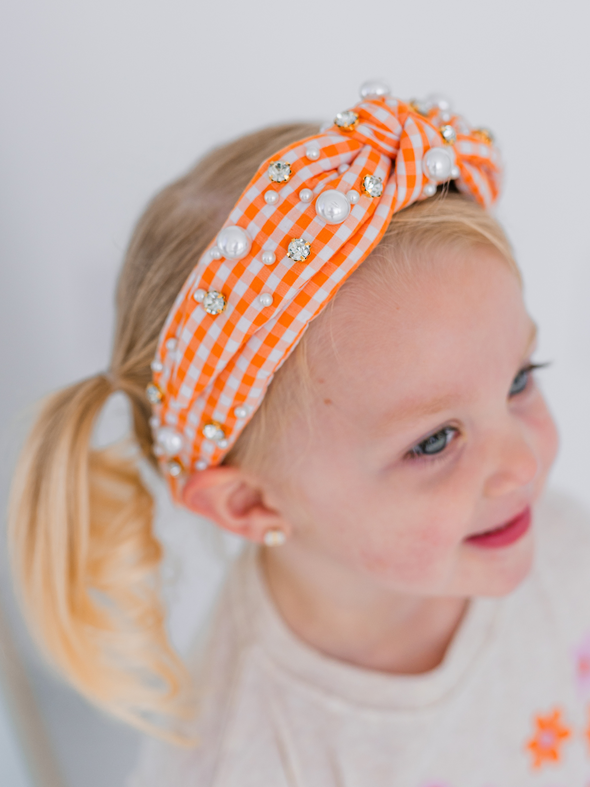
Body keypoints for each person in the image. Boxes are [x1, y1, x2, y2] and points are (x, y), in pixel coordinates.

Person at [9, 80, 590, 785]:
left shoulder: (560, 547)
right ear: (252, 505)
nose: (523, 462)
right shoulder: (241, 755)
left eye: (519, 378)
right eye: (435, 441)